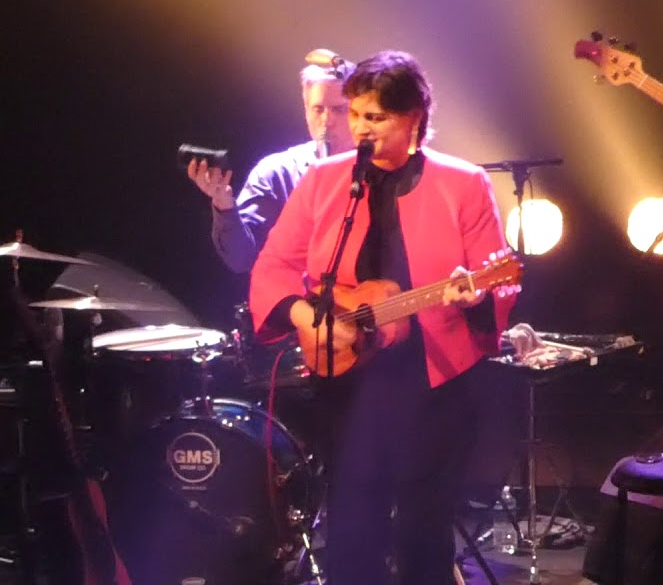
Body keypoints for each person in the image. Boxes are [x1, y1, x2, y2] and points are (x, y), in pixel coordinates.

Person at [249, 50, 515, 584]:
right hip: (347, 376)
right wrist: (308, 315)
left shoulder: (462, 183)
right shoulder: (327, 180)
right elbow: (274, 264)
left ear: (414, 116)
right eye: (356, 115)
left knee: (423, 528)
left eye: (377, 117)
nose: (360, 129)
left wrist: (475, 298)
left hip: (432, 377)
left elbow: (500, 277)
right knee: (351, 526)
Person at [187, 56, 354, 273]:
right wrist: (224, 206)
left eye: (339, 109)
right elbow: (243, 259)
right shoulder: (277, 172)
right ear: (305, 110)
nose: (327, 120)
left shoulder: (380, 171)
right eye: (318, 109)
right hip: (291, 302)